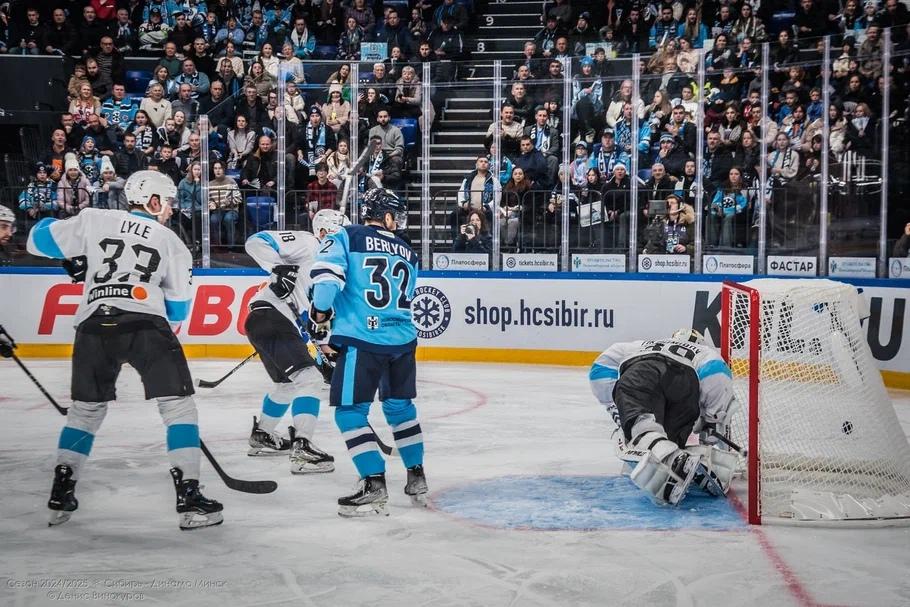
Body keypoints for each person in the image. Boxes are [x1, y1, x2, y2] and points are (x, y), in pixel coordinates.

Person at [25, 171, 223, 529]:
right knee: (177, 406)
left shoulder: (94, 218)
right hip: (146, 324)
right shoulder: (171, 241)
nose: (170, 210)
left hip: (92, 325)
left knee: (85, 411)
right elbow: (177, 311)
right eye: (168, 203)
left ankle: (61, 491)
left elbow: (37, 239)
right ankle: (189, 495)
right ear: (153, 201)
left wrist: (84, 258)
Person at [309, 188, 427, 517]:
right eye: (396, 213)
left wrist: (319, 316)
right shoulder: (407, 250)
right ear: (386, 215)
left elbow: (327, 282)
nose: (398, 220)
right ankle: (417, 475)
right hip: (403, 339)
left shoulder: (347, 236)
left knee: (350, 413)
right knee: (400, 408)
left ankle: (373, 482)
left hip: (364, 339)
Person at [241, 210, 348, 473]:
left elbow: (319, 322)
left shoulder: (330, 270)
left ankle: (262, 435)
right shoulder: (308, 242)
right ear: (323, 232)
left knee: (287, 385)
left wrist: (327, 351)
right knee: (309, 380)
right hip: (271, 317)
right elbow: (256, 241)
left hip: (268, 322)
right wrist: (278, 268)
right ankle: (303, 448)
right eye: (339, 235)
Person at [588, 329, 738, 506]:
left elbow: (599, 368)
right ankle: (699, 459)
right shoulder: (705, 352)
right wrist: (711, 423)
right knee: (669, 440)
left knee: (642, 429)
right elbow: (717, 374)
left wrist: (618, 409)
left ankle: (672, 460)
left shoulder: (642, 345)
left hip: (642, 372)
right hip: (684, 386)